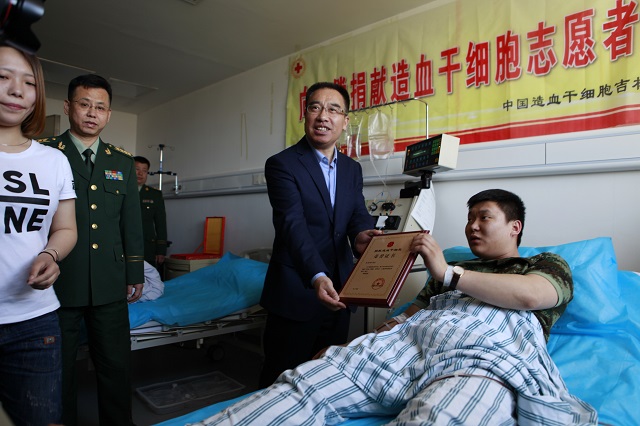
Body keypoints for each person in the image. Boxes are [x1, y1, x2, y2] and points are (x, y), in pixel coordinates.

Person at [200, 189, 599, 425]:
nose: (472, 226)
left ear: (515, 227)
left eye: (484, 218)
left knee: (441, 417)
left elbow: (531, 296)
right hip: (405, 350)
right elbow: (408, 318)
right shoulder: (449, 274)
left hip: (479, 359)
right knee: (302, 385)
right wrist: (354, 346)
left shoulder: (544, 264)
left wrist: (449, 273)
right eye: (469, 218)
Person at [259, 81, 379, 387]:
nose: (323, 116)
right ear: (306, 115)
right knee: (280, 379)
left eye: (333, 110)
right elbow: (292, 225)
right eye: (315, 107)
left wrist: (362, 237)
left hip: (340, 291)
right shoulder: (282, 164)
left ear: (345, 121)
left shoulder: (352, 169)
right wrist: (317, 275)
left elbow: (356, 215)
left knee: (324, 377)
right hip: (297, 290)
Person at [41, 74, 144, 426]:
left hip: (108, 281)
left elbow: (131, 222)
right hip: (59, 280)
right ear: (68, 107)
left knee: (116, 365)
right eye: (84, 104)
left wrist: (134, 271)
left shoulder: (122, 161)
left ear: (109, 114)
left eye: (100, 107)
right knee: (59, 368)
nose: (91, 113)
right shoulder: (44, 153)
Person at [0, 45, 77, 425]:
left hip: (34, 322)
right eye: (2, 76)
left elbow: (65, 228)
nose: (17, 90)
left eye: (29, 82)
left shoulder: (53, 160)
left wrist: (50, 255)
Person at [134, 155, 168, 269]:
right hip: (122, 246)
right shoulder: (119, 192)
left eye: (144, 171)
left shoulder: (155, 195)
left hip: (147, 247)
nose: (140, 173)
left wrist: (161, 250)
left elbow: (161, 224)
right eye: (137, 169)